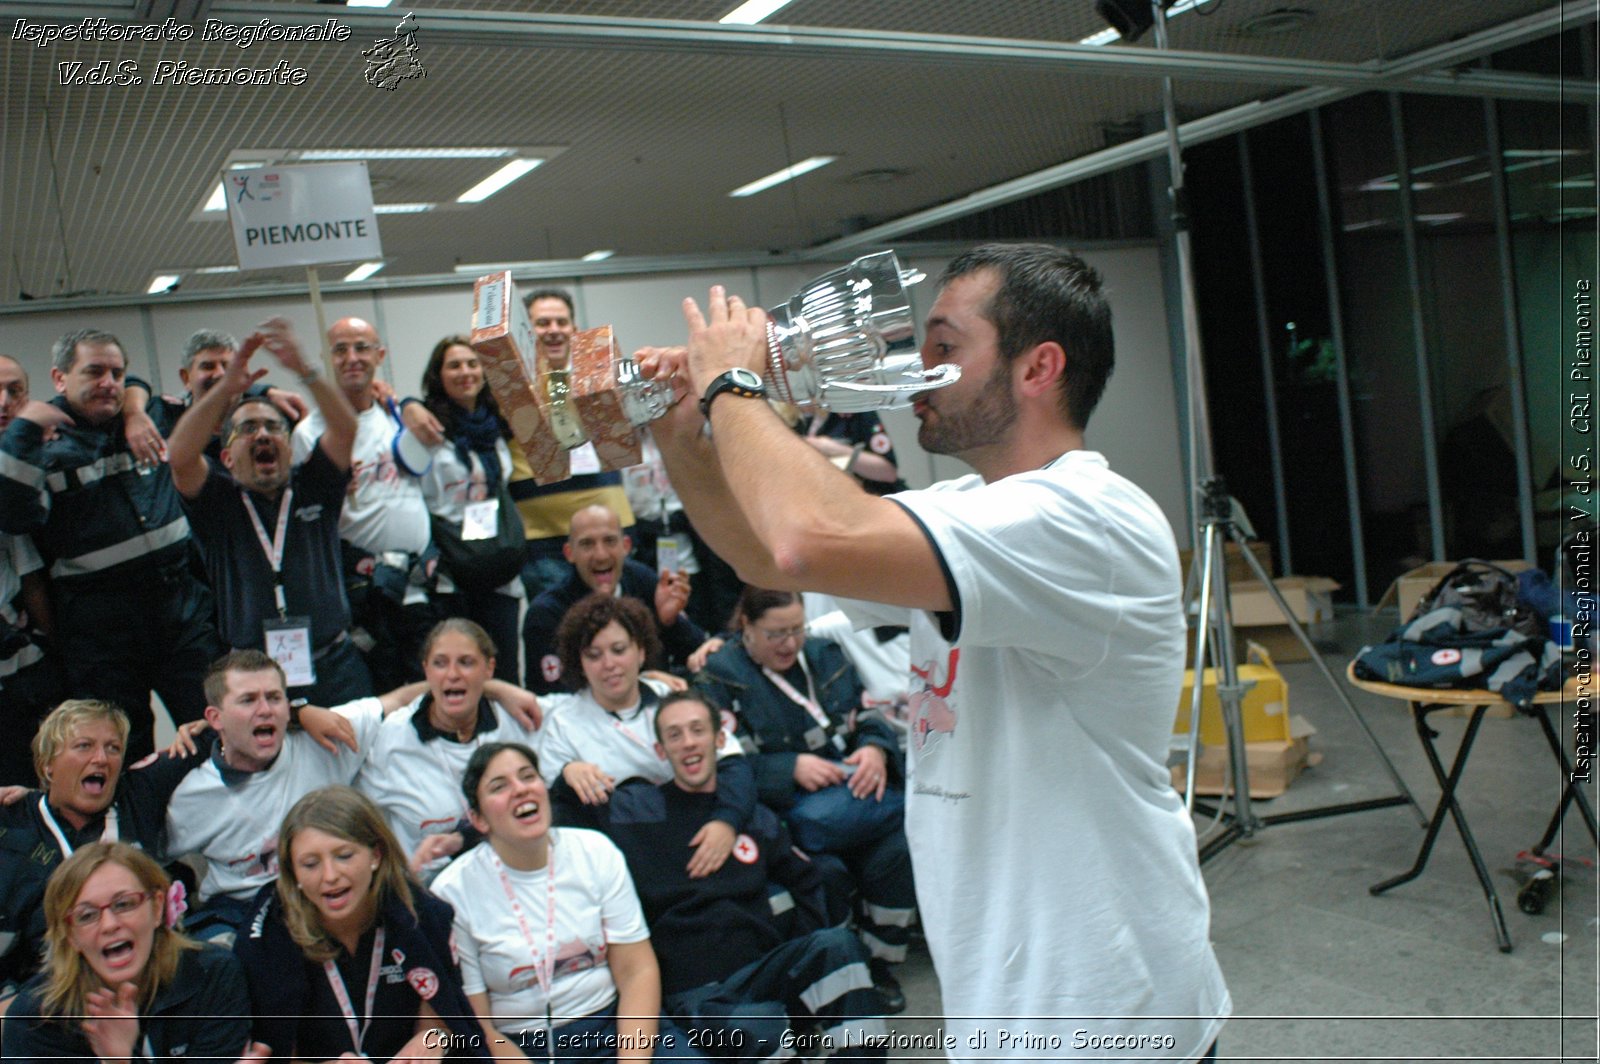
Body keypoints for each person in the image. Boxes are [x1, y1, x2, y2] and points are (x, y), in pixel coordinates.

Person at [638, 243, 1230, 1059]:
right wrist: (681, 436)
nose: (919, 367)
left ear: (1038, 367)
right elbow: (766, 559)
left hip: (1108, 1007)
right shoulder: (968, 506)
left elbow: (810, 535)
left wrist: (735, 384)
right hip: (1010, 1000)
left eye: (947, 346)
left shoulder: (1086, 516)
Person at [564, 692, 887, 1060]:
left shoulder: (749, 815)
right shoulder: (636, 810)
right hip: (696, 995)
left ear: (719, 740)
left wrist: (795, 955)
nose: (687, 743)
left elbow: (807, 882)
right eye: (674, 735)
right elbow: (562, 809)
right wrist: (567, 773)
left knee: (838, 948)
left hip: (760, 970)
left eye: (697, 730)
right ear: (659, 750)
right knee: (761, 1027)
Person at [0, 328, 223, 761]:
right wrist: (25, 427)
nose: (109, 382)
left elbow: (211, 394)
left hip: (181, 614)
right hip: (101, 633)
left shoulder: (148, 413)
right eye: (94, 371)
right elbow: (9, 511)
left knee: (213, 730)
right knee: (122, 752)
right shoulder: (44, 443)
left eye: (118, 373)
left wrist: (137, 404)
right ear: (60, 378)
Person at [693, 587, 912, 1011]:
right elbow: (723, 763)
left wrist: (874, 749)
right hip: (785, 813)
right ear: (747, 628)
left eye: (796, 629)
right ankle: (841, 964)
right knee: (823, 874)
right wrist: (788, 767)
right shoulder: (719, 676)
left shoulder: (824, 652)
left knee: (897, 853)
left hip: (854, 795)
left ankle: (880, 962)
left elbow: (865, 712)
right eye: (775, 634)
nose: (789, 643)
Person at [430, 742, 702, 1062]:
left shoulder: (595, 851)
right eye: (499, 786)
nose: (520, 790)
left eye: (528, 777)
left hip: (611, 1024)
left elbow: (636, 971)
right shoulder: (452, 891)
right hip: (518, 1044)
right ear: (478, 819)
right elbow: (478, 1024)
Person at [168, 317, 373, 708]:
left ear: (289, 445)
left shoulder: (315, 484)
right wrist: (227, 386)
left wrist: (304, 369)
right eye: (247, 429)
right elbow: (179, 454)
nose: (262, 434)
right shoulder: (217, 500)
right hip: (251, 677)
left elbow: (346, 428)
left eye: (272, 427)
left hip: (333, 667)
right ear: (226, 457)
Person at [234, 786, 488, 1061]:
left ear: (376, 855)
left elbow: (442, 1013)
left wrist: (429, 1043)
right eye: (310, 864)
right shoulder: (267, 937)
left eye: (344, 856)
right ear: (292, 872)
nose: (330, 875)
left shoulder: (421, 913)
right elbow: (272, 1050)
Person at [159, 649, 389, 937]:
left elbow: (404, 701)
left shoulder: (322, 737)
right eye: (248, 700)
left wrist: (302, 712)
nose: (265, 709)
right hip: (237, 913)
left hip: (323, 899)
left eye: (274, 698)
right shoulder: (190, 792)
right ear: (215, 718)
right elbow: (145, 859)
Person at [0, 700, 205, 996]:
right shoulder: (12, 820)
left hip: (147, 981)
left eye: (113, 748)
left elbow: (234, 733)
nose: (101, 758)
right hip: (43, 995)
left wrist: (205, 726)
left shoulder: (138, 795)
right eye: (84, 746)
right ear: (47, 763)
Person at [0, 841, 254, 1061]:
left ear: (156, 908)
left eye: (124, 904)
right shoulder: (36, 1021)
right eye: (87, 915)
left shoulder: (212, 976)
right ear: (70, 936)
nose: (110, 924)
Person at [291, 316, 435, 692]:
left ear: (380, 355)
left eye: (361, 348)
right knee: (376, 701)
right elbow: (302, 517)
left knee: (429, 695)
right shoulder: (309, 434)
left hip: (418, 586)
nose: (351, 358)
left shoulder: (399, 415)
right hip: (360, 594)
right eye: (340, 350)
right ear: (327, 358)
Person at [357, 619, 544, 877]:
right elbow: (359, 824)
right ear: (426, 670)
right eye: (440, 663)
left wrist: (571, 767)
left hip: (511, 876)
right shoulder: (392, 740)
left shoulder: (515, 720)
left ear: (489, 668)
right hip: (427, 890)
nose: (452, 674)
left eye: (466, 663)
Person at [507, 289, 636, 600]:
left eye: (561, 322)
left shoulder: (598, 377)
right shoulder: (508, 386)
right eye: (542, 323)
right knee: (560, 632)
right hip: (545, 539)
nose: (553, 330)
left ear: (574, 329)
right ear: (526, 331)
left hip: (612, 531)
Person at [417, 336, 526, 683]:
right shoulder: (427, 429)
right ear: (438, 375)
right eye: (454, 365)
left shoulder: (496, 425)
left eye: (472, 363)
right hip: (454, 570)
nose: (465, 372)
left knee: (504, 670)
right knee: (458, 672)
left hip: (499, 567)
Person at [522, 504, 707, 695]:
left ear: (626, 546)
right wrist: (643, 684)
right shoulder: (547, 612)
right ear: (570, 553)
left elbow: (696, 658)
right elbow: (551, 698)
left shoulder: (642, 581)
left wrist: (670, 622)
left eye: (610, 541)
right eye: (587, 544)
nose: (601, 555)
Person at [0, 355, 64, 787]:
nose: (4, 402)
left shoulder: (48, 452)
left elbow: (31, 575)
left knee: (32, 779)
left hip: (30, 664)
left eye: (14, 391)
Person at [119, 329, 309, 465]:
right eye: (208, 366)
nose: (219, 374)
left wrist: (262, 391)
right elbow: (128, 383)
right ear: (186, 377)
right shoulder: (164, 417)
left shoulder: (271, 419)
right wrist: (134, 413)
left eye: (228, 366)